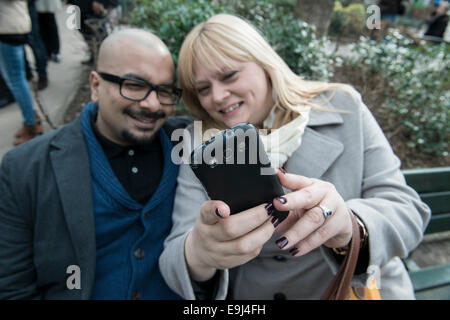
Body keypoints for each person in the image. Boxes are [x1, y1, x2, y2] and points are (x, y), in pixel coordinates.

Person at [159, 14, 431, 300]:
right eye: (203, 89)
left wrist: (349, 225)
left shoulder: (342, 106)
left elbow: (408, 209)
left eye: (229, 75)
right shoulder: (198, 143)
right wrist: (200, 253)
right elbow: (175, 254)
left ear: (264, 64)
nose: (217, 96)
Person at [0, 28, 189, 299]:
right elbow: (13, 288)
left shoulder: (188, 144)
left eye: (164, 90)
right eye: (134, 85)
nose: (152, 104)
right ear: (96, 86)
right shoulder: (25, 169)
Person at [0, 0, 43, 146]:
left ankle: (31, 124)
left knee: (16, 80)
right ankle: (31, 117)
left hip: (9, 29)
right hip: (13, 26)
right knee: (16, 79)